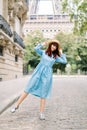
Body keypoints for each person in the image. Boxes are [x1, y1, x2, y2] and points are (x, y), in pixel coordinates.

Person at [11, 40, 67, 120]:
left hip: (47, 75)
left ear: (56, 48)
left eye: (55, 46)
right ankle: (16, 105)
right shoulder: (44, 52)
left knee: (43, 93)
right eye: (52, 45)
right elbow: (36, 49)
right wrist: (43, 43)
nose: (53, 47)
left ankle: (41, 113)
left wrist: (61, 53)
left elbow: (64, 61)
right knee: (28, 88)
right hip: (38, 72)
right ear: (50, 45)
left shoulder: (55, 57)